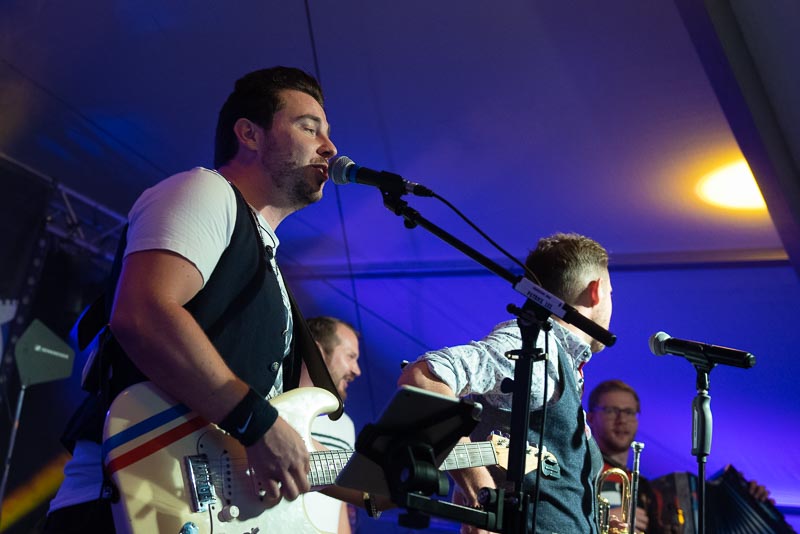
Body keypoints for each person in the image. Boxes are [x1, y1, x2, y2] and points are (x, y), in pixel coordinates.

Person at [43, 66, 344, 532]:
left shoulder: (266, 265)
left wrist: (404, 474)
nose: (330, 147)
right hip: (120, 505)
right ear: (249, 134)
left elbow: (286, 437)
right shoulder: (207, 191)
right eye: (310, 128)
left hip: (195, 510)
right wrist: (257, 423)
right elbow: (143, 313)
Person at [398, 232, 615, 534]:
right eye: (612, 293)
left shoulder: (558, 359)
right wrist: (481, 491)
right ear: (596, 290)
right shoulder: (536, 347)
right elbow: (421, 378)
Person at [586, 379, 774, 534]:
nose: (622, 420)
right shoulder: (580, 472)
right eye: (611, 411)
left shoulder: (646, 489)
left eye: (629, 412)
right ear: (591, 418)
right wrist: (600, 521)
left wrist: (750, 503)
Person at [302, 315, 362, 534]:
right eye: (350, 356)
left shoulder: (346, 425)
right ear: (318, 352)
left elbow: (340, 504)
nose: (357, 370)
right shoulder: (278, 406)